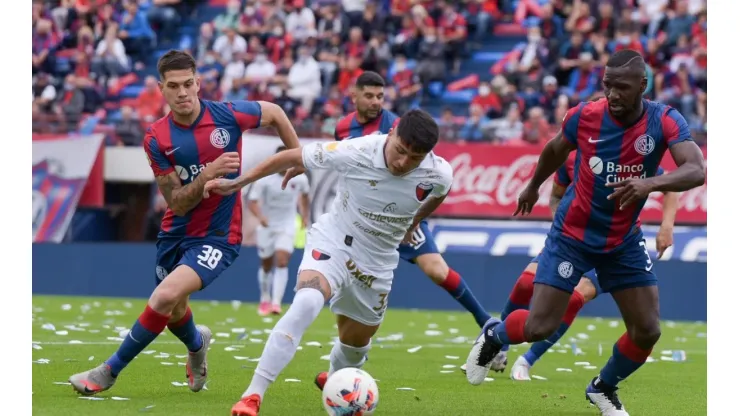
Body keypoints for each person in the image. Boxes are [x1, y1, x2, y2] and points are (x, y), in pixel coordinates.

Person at [465, 49, 706, 416]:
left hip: (623, 241)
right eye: (607, 85)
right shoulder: (586, 116)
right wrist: (533, 187)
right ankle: (494, 336)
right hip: (572, 237)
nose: (612, 94)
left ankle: (603, 388)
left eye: (621, 88)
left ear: (642, 85)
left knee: (648, 330)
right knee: (539, 326)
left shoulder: (664, 120)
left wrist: (650, 184)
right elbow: (554, 149)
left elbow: (696, 169)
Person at [68, 50, 301, 396]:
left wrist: (298, 156)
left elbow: (276, 112)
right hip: (175, 232)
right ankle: (197, 345)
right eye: (173, 86)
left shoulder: (228, 115)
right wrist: (206, 175)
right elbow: (176, 201)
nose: (182, 92)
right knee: (175, 309)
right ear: (161, 89)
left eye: (188, 84)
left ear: (198, 83)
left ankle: (108, 371)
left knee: (163, 296)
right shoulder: (156, 138)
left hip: (219, 236)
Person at [205, 110, 453, 416]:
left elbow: (438, 193)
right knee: (307, 302)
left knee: (355, 343)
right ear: (391, 134)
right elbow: (289, 157)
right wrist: (236, 184)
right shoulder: (357, 150)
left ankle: (337, 379)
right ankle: (252, 395)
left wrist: (415, 222)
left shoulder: (439, 173)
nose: (403, 163)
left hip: (377, 262)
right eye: (400, 151)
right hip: (335, 240)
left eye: (414, 158)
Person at [460, 153, 679, 380]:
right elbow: (556, 196)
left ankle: (527, 360)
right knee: (526, 282)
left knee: (575, 298)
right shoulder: (573, 155)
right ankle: (497, 344)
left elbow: (670, 187)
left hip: (615, 248)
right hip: (572, 242)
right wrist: (564, 231)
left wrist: (667, 226)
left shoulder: (626, 154)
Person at [332, 71, 491, 329]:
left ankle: (484, 321)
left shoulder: (397, 126)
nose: (375, 102)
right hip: (361, 214)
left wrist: (414, 218)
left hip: (399, 213)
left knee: (437, 270)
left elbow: (427, 170)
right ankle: (347, 351)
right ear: (354, 96)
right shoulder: (342, 128)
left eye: (380, 97)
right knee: (347, 279)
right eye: (369, 96)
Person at [247, 145, 310, 316]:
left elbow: (305, 196)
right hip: (267, 226)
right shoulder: (264, 180)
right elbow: (252, 202)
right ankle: (265, 298)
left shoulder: (300, 179)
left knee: (282, 261)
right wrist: (260, 217)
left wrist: (304, 215)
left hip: (287, 224)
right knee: (266, 264)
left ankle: (276, 302)